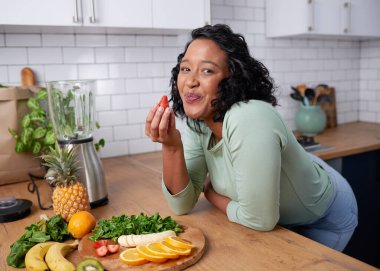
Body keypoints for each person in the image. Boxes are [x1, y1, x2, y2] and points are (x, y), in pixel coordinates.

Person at [145, 24, 358, 251]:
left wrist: (210, 193)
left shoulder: (249, 116)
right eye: (185, 69)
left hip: (324, 216)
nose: (190, 81)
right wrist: (171, 146)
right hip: (282, 217)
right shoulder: (200, 123)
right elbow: (181, 205)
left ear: (232, 78)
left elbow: (260, 220)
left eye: (207, 71)